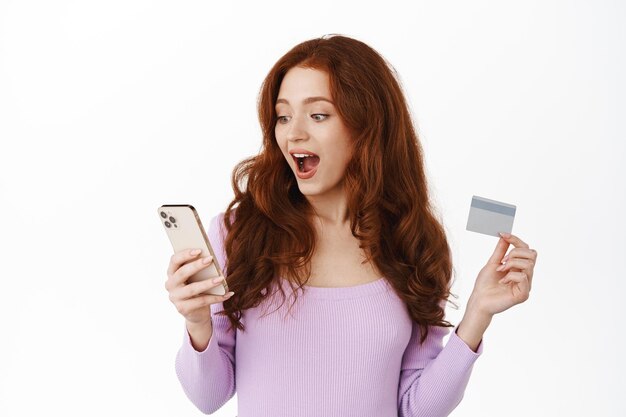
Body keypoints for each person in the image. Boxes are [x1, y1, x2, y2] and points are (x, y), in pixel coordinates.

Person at [164, 34, 538, 417]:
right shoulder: (239, 233)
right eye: (283, 115)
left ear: (365, 128)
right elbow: (208, 397)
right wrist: (197, 322)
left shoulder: (413, 242)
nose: (294, 133)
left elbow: (416, 408)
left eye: (318, 115)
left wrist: (478, 312)